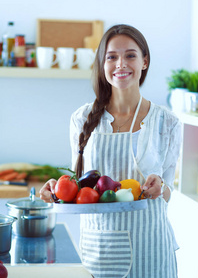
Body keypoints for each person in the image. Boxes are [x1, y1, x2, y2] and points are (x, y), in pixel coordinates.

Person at [39, 24, 182, 278]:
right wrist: (56, 188)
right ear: (102, 64)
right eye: (111, 57)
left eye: (130, 55)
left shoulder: (167, 123)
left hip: (150, 250)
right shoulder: (81, 119)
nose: (120, 64)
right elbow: (78, 184)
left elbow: (169, 192)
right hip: (98, 250)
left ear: (144, 61)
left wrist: (161, 186)